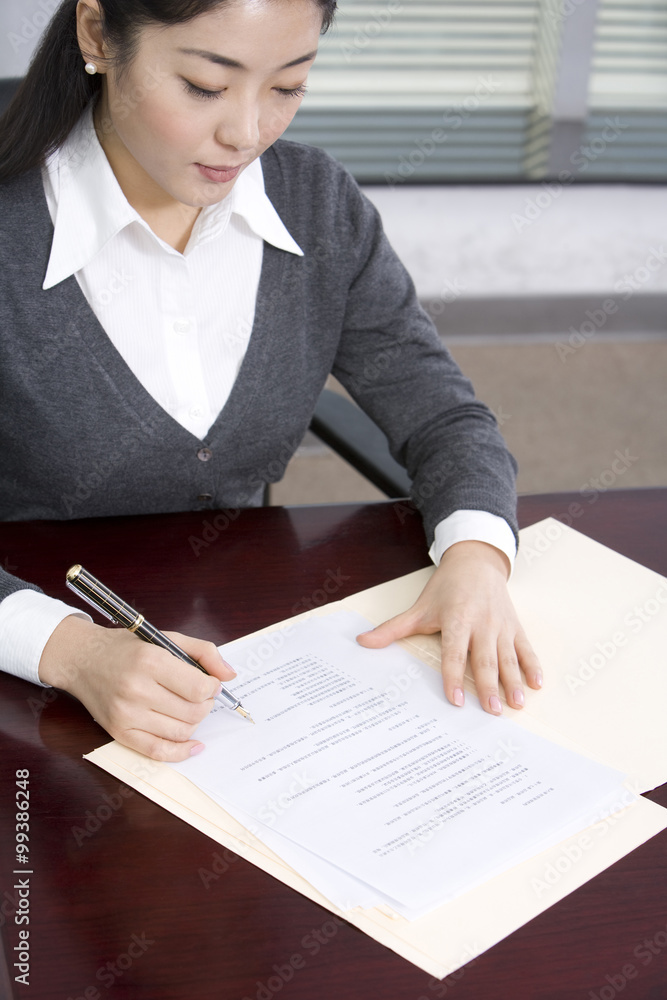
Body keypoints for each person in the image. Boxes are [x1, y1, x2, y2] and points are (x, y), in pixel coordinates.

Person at [0, 0, 542, 763]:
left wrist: (476, 559)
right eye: (203, 85)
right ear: (96, 35)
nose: (247, 134)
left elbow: (442, 413)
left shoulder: (317, 206)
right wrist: (68, 650)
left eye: (287, 87)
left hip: (234, 644)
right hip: (28, 676)